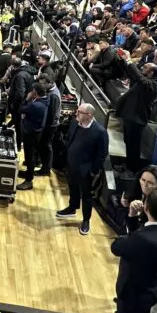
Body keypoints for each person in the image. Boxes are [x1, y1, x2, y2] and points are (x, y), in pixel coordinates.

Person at [55, 103, 108, 235]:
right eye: (77, 111)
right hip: (71, 166)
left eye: (79, 112)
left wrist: (93, 171)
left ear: (89, 115)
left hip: (86, 171)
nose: (76, 114)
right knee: (72, 188)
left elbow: (102, 154)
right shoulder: (75, 124)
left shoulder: (100, 132)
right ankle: (72, 208)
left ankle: (86, 220)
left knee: (87, 196)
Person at [115, 59, 157, 173]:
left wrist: (129, 61)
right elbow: (133, 74)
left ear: (152, 73)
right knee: (128, 143)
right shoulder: (143, 82)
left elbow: (140, 79)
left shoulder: (152, 85)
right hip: (129, 117)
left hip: (136, 120)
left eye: (146, 67)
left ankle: (132, 169)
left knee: (133, 146)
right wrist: (123, 60)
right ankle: (128, 165)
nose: (142, 68)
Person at [16, 81, 48, 192]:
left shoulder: (36, 105)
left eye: (32, 90)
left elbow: (20, 109)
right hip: (35, 132)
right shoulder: (44, 100)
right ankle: (28, 173)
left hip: (31, 134)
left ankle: (28, 181)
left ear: (35, 92)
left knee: (30, 157)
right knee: (29, 156)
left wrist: (26, 99)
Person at [121, 167, 157, 235]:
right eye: (143, 180)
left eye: (150, 183)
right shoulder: (138, 192)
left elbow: (139, 235)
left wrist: (135, 214)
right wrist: (126, 205)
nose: (145, 185)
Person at [38, 69, 62, 176]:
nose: (41, 86)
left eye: (43, 84)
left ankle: (46, 169)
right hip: (49, 124)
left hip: (50, 126)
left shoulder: (53, 95)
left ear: (49, 83)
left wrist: (43, 125)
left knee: (46, 146)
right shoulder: (51, 91)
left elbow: (51, 115)